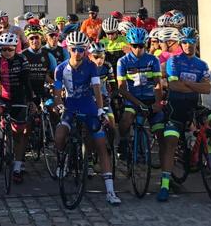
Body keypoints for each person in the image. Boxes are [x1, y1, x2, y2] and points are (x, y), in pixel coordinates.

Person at [53, 31, 121, 205]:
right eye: (74, 49)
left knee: (101, 145)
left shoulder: (91, 66)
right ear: (68, 48)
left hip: (88, 107)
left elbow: (97, 90)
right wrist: (59, 104)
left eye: (81, 49)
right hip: (70, 107)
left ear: (85, 50)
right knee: (60, 136)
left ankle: (110, 190)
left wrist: (99, 110)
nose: (78, 52)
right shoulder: (60, 69)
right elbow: (57, 94)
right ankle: (62, 161)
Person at [158, 27, 211, 202]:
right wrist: (195, 85)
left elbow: (208, 88)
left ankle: (204, 151)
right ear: (181, 43)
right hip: (176, 107)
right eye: (185, 42)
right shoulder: (174, 62)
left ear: (196, 43)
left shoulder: (202, 64)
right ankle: (164, 184)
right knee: (171, 141)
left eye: (192, 42)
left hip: (194, 105)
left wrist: (186, 83)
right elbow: (174, 86)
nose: (188, 45)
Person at [0, 32, 34, 183]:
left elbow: (27, 81)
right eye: (4, 49)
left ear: (16, 49)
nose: (7, 52)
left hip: (19, 96)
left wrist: (31, 100)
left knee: (19, 134)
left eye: (10, 49)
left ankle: (18, 167)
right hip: (3, 94)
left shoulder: (22, 59)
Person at [116, 28, 165, 166]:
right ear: (130, 45)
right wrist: (138, 103)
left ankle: (166, 170)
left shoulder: (153, 60)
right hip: (132, 98)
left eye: (141, 46)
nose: (138, 49)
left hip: (150, 98)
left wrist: (157, 102)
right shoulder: (123, 61)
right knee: (126, 120)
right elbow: (121, 88)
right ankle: (124, 141)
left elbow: (158, 84)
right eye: (134, 46)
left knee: (161, 132)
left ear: (146, 44)